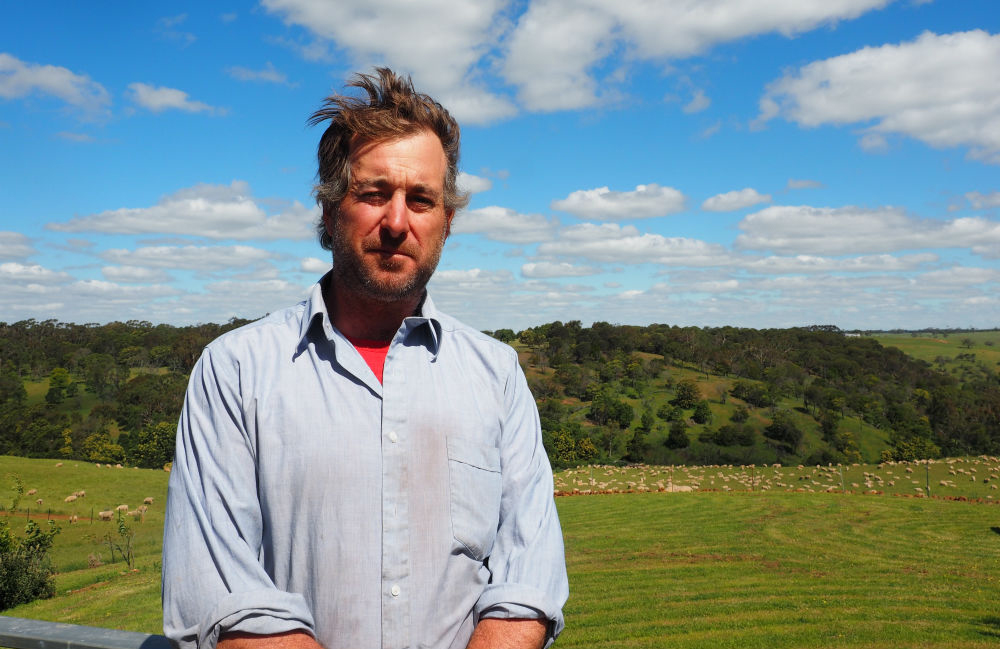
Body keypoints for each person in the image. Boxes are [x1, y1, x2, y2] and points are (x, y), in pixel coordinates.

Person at [161, 68, 569, 649]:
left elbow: (528, 581)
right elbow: (221, 597)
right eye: (373, 194)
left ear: (447, 223)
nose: (397, 222)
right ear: (329, 213)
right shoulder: (236, 370)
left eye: (421, 200)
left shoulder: (496, 373)